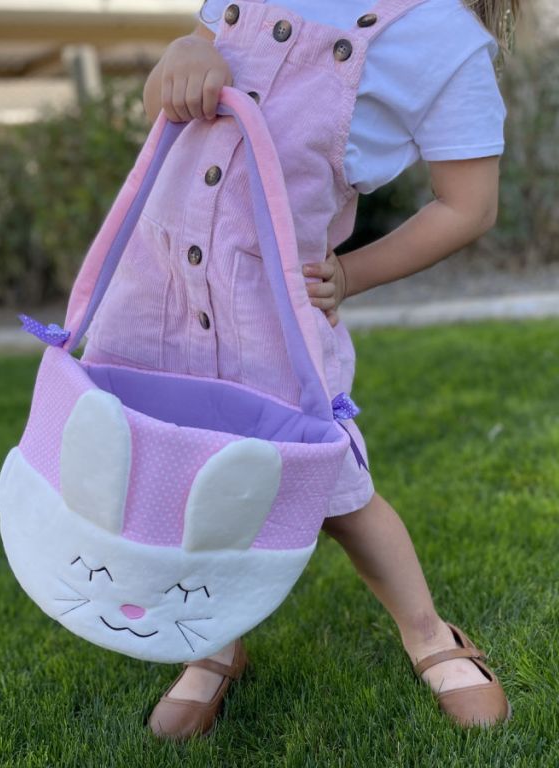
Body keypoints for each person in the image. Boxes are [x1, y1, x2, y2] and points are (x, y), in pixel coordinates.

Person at [80, 0, 516, 739]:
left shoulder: (443, 41)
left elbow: (468, 205)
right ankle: (211, 642)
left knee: (331, 486)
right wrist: (182, 53)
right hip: (155, 290)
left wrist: (349, 274)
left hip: (268, 310)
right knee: (176, 473)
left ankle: (427, 632)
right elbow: (167, 108)